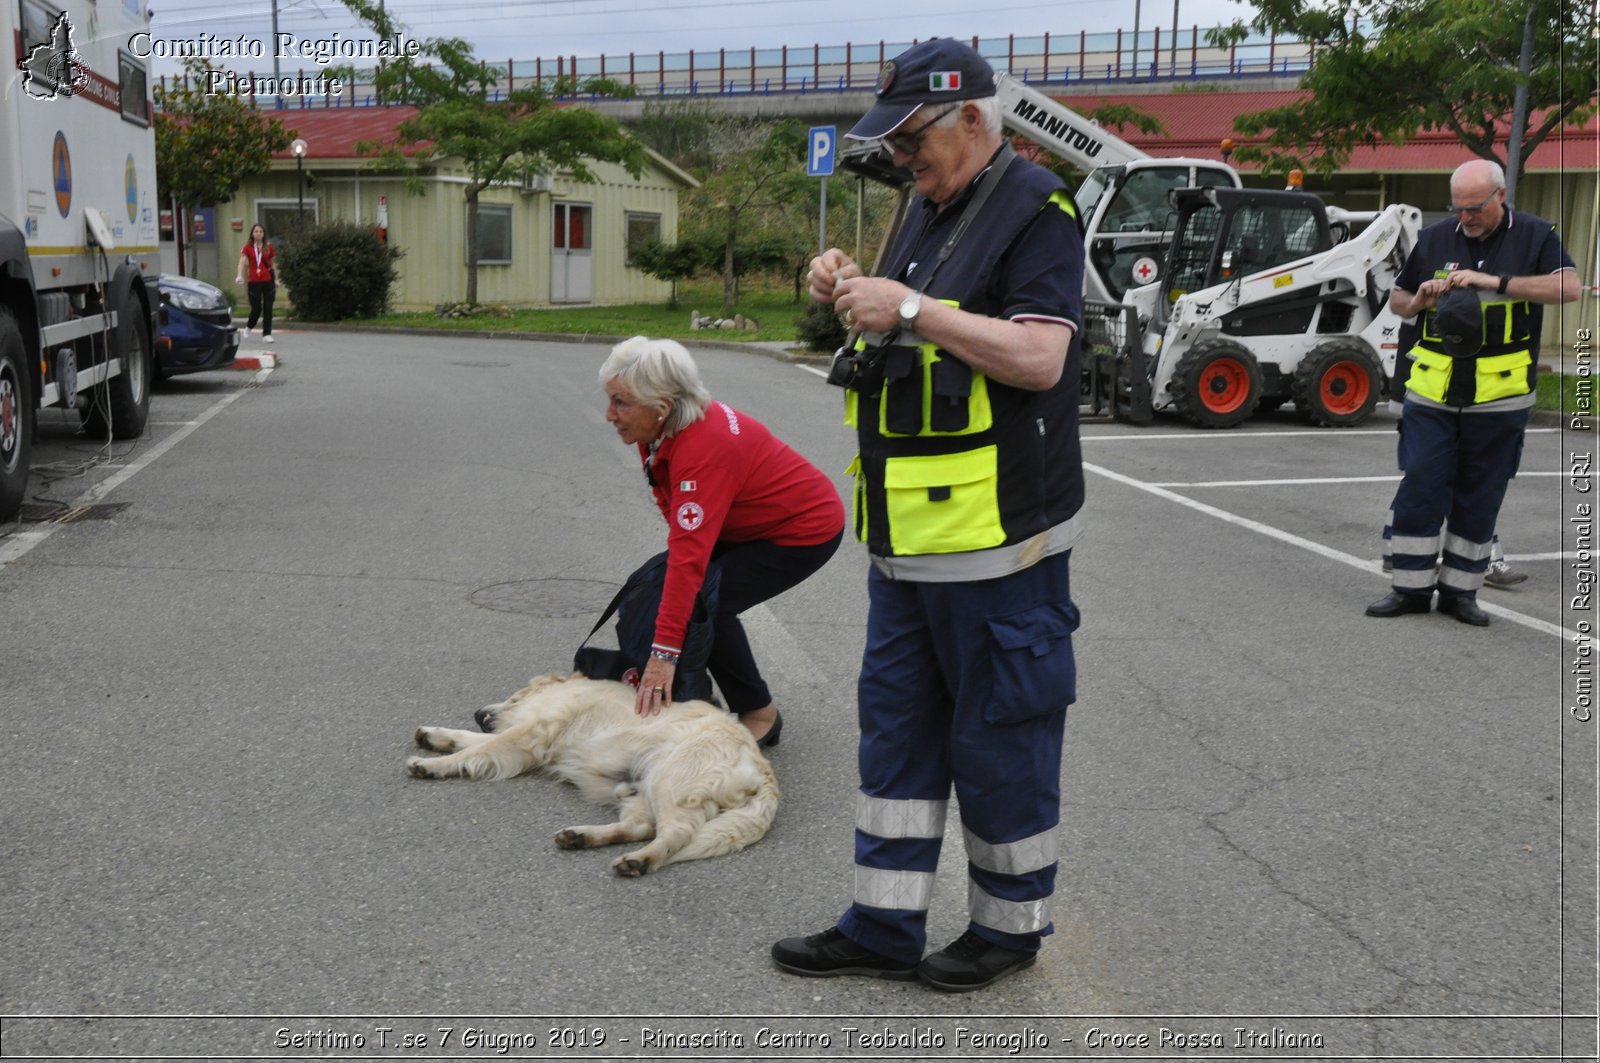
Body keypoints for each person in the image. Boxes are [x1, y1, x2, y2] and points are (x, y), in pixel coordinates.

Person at [770, 37, 1086, 992]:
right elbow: (905, 332)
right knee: (897, 735)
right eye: (897, 144)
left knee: (1000, 738)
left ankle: (1007, 929)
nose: (904, 160)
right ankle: (883, 924)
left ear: (976, 122)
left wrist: (909, 306)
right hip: (908, 545)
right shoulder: (927, 201)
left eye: (915, 140)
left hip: (999, 544)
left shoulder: (1038, 208)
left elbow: (1038, 359)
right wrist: (848, 288)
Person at [599, 336, 844, 746]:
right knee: (677, 593)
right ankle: (695, 694)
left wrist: (664, 656)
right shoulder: (659, 427)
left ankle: (759, 713)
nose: (610, 414)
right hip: (740, 522)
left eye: (620, 402)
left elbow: (690, 558)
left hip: (802, 530)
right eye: (610, 400)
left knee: (709, 605)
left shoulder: (703, 447)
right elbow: (670, 501)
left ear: (662, 405)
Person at [1367, 159, 1577, 625]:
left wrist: (1495, 281)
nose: (1466, 218)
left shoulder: (1536, 236)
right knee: (1421, 481)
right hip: (1433, 391)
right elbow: (1399, 301)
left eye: (1475, 208)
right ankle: (1409, 589)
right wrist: (1419, 298)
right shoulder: (1436, 237)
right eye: (1458, 208)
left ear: (1500, 196)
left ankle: (1461, 593)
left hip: (1500, 397)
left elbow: (1570, 287)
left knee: (1480, 494)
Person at [234, 223, 277, 341]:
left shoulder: (268, 247)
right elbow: (242, 261)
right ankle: (249, 326)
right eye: (256, 231)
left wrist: (276, 279)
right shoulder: (247, 247)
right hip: (254, 281)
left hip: (267, 280)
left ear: (264, 234)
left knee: (268, 307)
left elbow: (273, 264)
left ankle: (267, 334)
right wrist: (239, 275)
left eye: (261, 232)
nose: (259, 234)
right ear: (252, 234)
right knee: (256, 308)